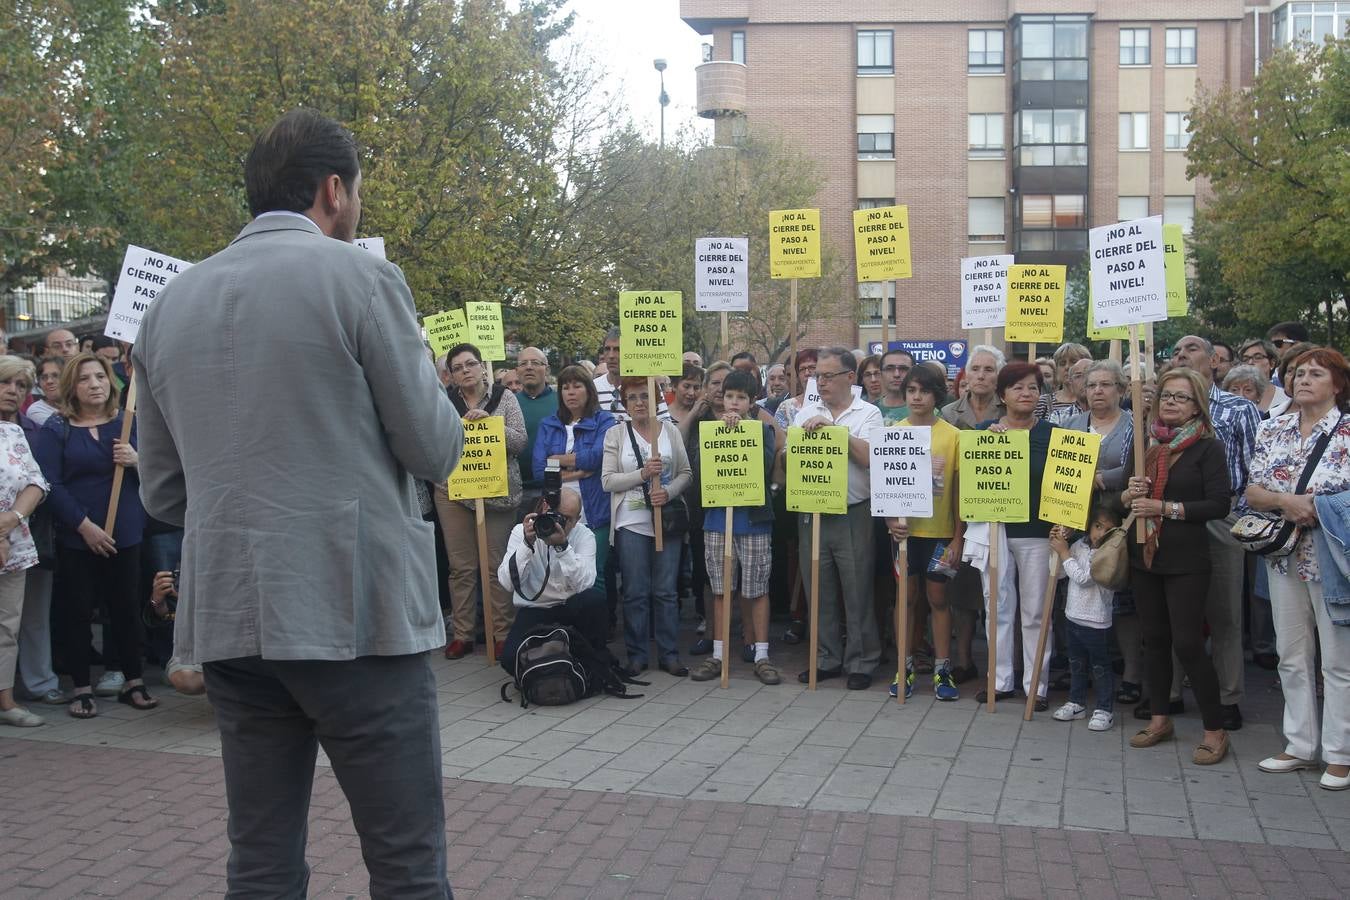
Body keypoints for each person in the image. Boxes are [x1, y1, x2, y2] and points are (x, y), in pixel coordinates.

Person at [133, 109, 462, 898]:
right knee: (407, 861)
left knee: (260, 860)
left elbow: (164, 492)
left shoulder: (169, 305)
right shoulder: (362, 278)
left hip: (233, 617)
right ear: (333, 189)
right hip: (359, 618)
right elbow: (434, 447)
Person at [1245, 348, 1350, 790]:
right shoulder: (1275, 428)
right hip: (1283, 556)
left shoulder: (1346, 432)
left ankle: (1340, 753)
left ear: (1338, 384)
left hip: (1332, 561)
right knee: (1291, 654)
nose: (1303, 379)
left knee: (1338, 662)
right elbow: (1252, 491)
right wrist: (1288, 502)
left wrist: (1319, 507)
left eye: (1315, 373)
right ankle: (1300, 744)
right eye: (1298, 372)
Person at [32, 352, 151, 719]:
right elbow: (51, 484)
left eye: (100, 376)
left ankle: (134, 680)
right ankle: (81, 688)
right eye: (85, 379)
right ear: (73, 386)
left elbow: (160, 471)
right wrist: (84, 526)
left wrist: (137, 460)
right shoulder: (56, 429)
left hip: (126, 533)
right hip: (78, 536)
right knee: (77, 611)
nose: (95, 384)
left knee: (127, 609)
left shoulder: (128, 423)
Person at [1122, 368, 1232, 765]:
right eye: (1166, 395)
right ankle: (1159, 719)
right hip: (1146, 556)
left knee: (1187, 643)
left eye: (1181, 397)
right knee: (1153, 639)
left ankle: (1214, 730)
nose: (1170, 402)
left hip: (1187, 559)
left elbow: (1219, 505)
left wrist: (1164, 507)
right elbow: (1126, 497)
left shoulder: (1207, 448)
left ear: (1196, 405)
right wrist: (1129, 492)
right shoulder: (1145, 444)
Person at [1160, 335, 1259, 731]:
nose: (1182, 355)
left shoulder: (1238, 409)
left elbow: (1256, 467)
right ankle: (1168, 692)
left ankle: (1227, 696)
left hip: (1220, 519)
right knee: (1171, 613)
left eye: (1192, 350)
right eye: (1177, 352)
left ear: (1215, 360)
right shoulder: (1158, 413)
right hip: (1165, 518)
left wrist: (1242, 523)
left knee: (1223, 614)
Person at [793, 347, 883, 689]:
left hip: (852, 512)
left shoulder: (868, 413)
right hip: (813, 510)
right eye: (817, 376)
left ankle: (862, 660)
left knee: (857, 589)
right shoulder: (805, 412)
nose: (821, 382)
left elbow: (871, 458)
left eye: (828, 375)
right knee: (819, 589)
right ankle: (826, 658)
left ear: (850, 377)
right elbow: (790, 459)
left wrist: (835, 432)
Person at [688, 370, 779, 685]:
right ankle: (718, 653)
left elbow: (765, 468)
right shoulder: (708, 431)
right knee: (721, 589)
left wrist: (745, 433)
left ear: (752, 403)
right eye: (730, 396)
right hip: (716, 522)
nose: (734, 402)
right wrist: (722, 435)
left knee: (757, 589)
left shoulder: (763, 431)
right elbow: (700, 469)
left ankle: (762, 654)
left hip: (753, 523)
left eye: (741, 398)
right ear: (721, 398)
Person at [438, 342, 526, 660]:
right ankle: (463, 634)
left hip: (497, 492)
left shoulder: (505, 397)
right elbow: (434, 442)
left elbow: (520, 440)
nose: (466, 371)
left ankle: (501, 634)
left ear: (481, 366)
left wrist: (491, 426)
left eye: (470, 364)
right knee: (461, 567)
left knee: (495, 566)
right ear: (451, 374)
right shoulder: (443, 402)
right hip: (454, 493)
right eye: (458, 367)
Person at [975, 362, 1055, 709]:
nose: (1026, 394)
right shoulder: (983, 432)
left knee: (1037, 612)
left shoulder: (1053, 435)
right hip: (996, 529)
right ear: (1002, 395)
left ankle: (1035, 684)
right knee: (997, 608)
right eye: (1018, 387)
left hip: (1038, 534)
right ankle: (1001, 680)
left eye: (1033, 388)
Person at [601, 376, 692, 677]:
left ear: (656, 401)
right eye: (632, 398)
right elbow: (608, 481)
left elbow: (685, 473)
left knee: (665, 591)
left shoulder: (671, 433)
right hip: (631, 522)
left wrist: (669, 491)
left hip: (666, 520)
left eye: (645, 397)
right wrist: (642, 474)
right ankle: (637, 654)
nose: (639, 403)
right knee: (636, 591)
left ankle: (669, 654)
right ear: (624, 404)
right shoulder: (616, 435)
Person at [885, 363, 962, 701]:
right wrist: (890, 522)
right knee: (906, 598)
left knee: (938, 599)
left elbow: (959, 490)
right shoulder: (892, 433)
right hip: (905, 535)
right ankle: (904, 665)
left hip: (941, 532)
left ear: (936, 395)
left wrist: (959, 536)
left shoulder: (952, 435)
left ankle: (943, 668)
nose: (917, 397)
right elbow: (884, 485)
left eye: (924, 391)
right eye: (911, 391)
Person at [939, 344, 1006, 685]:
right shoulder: (949, 414)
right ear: (966, 374)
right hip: (960, 512)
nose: (981, 375)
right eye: (976, 369)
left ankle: (1002, 664)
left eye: (989, 369)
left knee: (999, 592)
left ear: (999, 376)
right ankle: (964, 660)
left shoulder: (1009, 411)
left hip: (1001, 510)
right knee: (962, 592)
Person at [0, 358, 61, 706]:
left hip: (15, 542)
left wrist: (12, 519)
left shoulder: (15, 432)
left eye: (20, 386)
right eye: (5, 383)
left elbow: (36, 481)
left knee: (7, 626)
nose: (13, 391)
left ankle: (6, 702)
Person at [497, 490, 606, 670]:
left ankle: (591, 664)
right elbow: (507, 582)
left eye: (568, 519)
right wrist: (526, 545)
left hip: (571, 605)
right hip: (536, 609)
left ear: (577, 519)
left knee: (594, 600)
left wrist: (563, 548)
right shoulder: (521, 531)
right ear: (547, 508)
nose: (560, 524)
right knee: (510, 660)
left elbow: (586, 583)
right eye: (558, 516)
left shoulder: (584, 535)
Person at [532, 365, 615, 592]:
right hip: (557, 509)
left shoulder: (604, 421)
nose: (570, 392)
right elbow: (539, 471)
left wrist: (556, 459)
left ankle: (599, 624)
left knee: (593, 575)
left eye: (577, 386)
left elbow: (598, 457)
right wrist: (578, 472)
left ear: (589, 390)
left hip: (594, 511)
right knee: (561, 572)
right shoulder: (548, 424)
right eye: (565, 387)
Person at [1049, 503, 1122, 732]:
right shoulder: (1079, 545)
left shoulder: (1108, 553)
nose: (1100, 533)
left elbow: (1083, 578)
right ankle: (1077, 702)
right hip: (1073, 616)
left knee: (1100, 666)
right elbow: (1062, 573)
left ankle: (1104, 709)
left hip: (1096, 620)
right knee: (1076, 663)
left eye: (1107, 529)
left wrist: (1063, 552)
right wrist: (1058, 547)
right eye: (1097, 526)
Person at [1064, 361, 1133, 491]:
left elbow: (1141, 467)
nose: (1097, 391)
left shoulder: (1135, 427)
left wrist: (1104, 477)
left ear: (1121, 390)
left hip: (1120, 506)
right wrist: (1084, 477)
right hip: (1072, 507)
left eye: (1105, 385)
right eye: (1091, 385)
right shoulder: (1068, 425)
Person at [593, 327, 671, 422]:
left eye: (618, 349)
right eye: (607, 349)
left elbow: (665, 426)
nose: (611, 355)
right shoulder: (593, 387)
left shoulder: (647, 385)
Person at [514, 346, 557, 513]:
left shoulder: (562, 401)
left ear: (547, 369)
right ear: (517, 371)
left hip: (554, 488)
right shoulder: (508, 402)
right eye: (523, 363)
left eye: (535, 363)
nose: (529, 367)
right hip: (517, 491)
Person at [1036, 342, 1090, 423]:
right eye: (1062, 363)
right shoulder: (1042, 402)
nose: (1067, 367)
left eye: (1073, 362)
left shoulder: (1093, 399)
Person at [874, 349, 913, 424]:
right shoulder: (868, 411)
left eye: (903, 369)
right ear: (881, 374)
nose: (896, 374)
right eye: (889, 369)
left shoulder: (928, 412)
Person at [27, 357, 64, 426]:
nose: (49, 381)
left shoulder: (82, 403)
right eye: (44, 377)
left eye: (55, 376)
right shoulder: (36, 410)